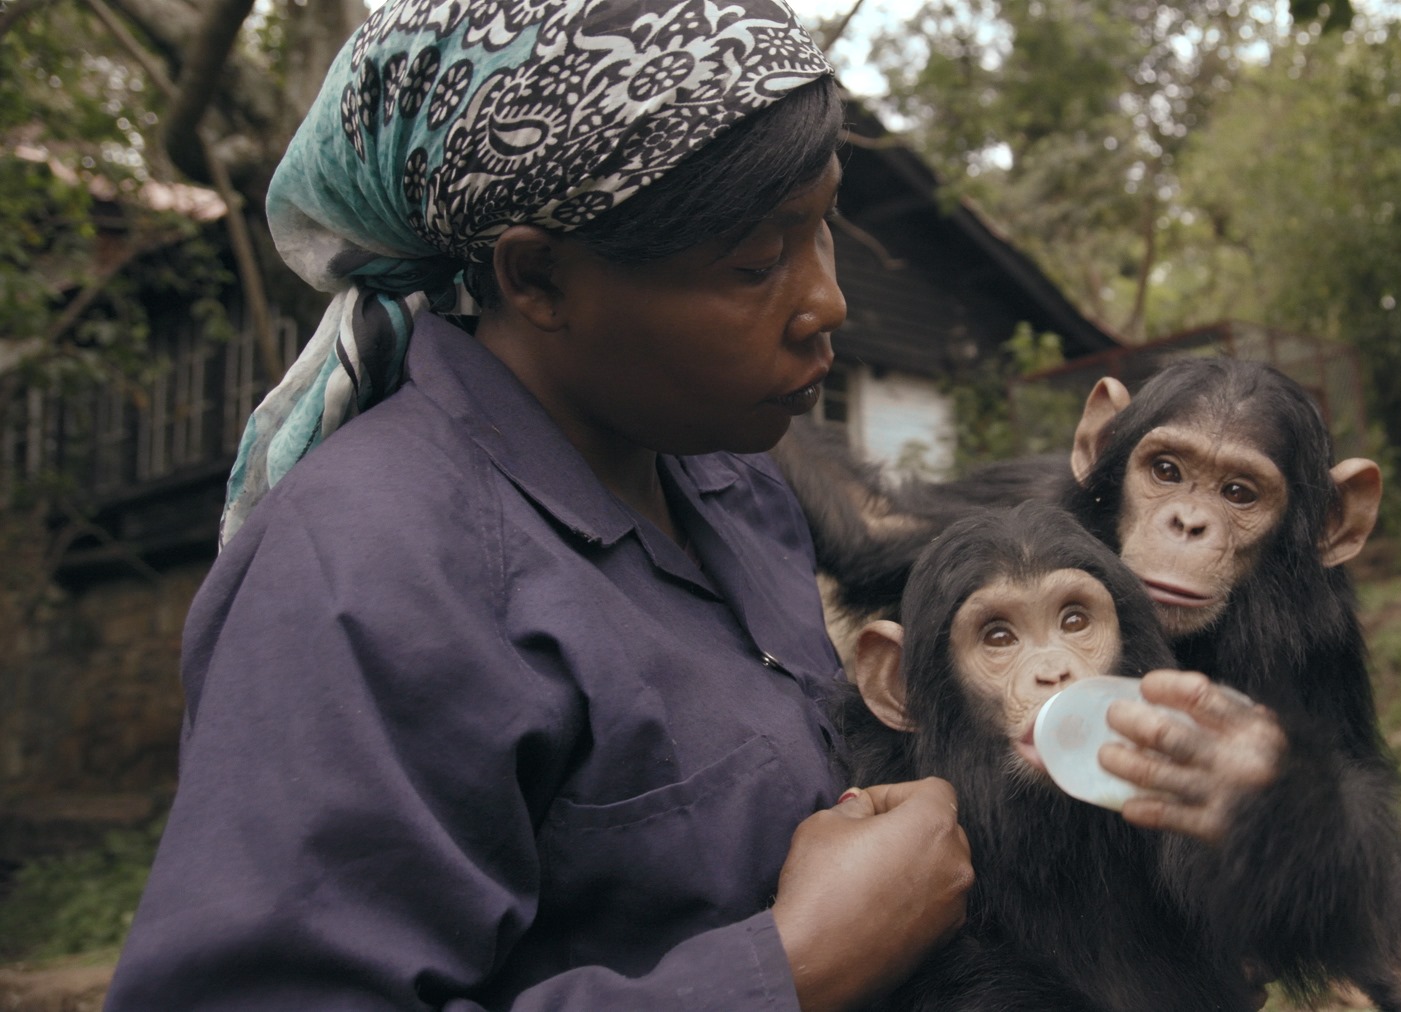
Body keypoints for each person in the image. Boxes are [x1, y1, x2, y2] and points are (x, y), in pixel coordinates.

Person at [104, 2, 973, 1009]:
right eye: (752, 261)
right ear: (539, 276)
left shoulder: (726, 476)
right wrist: (791, 967)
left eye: (821, 222)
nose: (828, 301)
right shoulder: (368, 572)